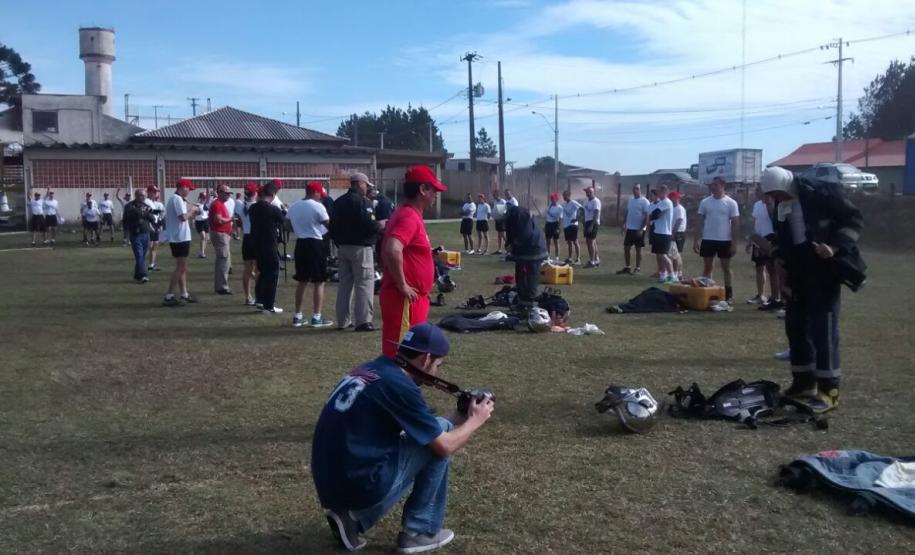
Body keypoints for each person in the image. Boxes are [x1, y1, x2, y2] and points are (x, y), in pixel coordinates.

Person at [311, 323, 494, 553]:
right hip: (356, 483)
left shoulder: (374, 369)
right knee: (440, 441)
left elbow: (424, 428)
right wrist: (476, 420)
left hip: (330, 481)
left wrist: (459, 416)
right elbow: (444, 446)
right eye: (438, 364)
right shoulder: (400, 386)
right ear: (426, 359)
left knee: (441, 427)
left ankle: (353, 519)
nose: (437, 371)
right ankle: (419, 532)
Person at [760, 166, 864, 413]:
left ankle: (829, 390)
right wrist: (781, 267)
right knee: (795, 326)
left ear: (787, 185)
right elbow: (784, 240)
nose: (776, 199)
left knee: (823, 330)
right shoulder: (780, 205)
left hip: (825, 269)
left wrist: (835, 246)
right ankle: (804, 382)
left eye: (778, 194)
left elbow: (854, 220)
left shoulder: (822, 194)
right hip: (798, 271)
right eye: (772, 195)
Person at [379, 165, 447, 356]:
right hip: (404, 301)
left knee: (411, 355)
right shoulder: (409, 216)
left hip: (413, 300)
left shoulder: (411, 214)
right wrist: (402, 285)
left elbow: (405, 250)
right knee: (402, 355)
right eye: (433, 190)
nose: (436, 195)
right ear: (422, 189)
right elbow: (393, 249)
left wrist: (428, 255)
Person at [330, 172, 379, 331]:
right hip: (361, 247)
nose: (367, 188)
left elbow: (332, 226)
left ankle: (342, 320)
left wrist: (338, 242)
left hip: (343, 247)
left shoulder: (338, 202)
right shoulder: (363, 202)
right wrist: (378, 229)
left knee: (345, 286)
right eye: (366, 185)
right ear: (359, 184)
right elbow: (369, 224)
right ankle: (363, 321)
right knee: (364, 284)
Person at [288, 181, 333, 328]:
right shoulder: (318, 206)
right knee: (319, 281)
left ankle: (298, 315)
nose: (321, 197)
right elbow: (328, 225)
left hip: (301, 243)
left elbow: (286, 225)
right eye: (320, 194)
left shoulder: (294, 205)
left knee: (302, 280)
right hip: (315, 243)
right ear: (315, 192)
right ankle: (316, 316)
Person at [693, 176, 740, 303]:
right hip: (708, 239)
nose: (713, 187)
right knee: (708, 267)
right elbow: (699, 221)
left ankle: (729, 295)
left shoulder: (731, 203)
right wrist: (696, 239)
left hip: (724, 240)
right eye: (711, 185)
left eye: (715, 185)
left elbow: (735, 223)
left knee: (726, 268)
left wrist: (734, 243)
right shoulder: (705, 202)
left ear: (722, 186)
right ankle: (707, 292)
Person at [248, 180, 287, 314]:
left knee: (262, 272)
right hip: (269, 244)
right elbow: (284, 221)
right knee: (273, 273)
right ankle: (269, 305)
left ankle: (260, 299)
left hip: (256, 243)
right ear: (273, 194)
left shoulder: (253, 208)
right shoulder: (272, 209)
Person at [163, 179, 202, 306]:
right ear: (183, 187)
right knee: (181, 267)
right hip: (179, 237)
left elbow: (184, 217)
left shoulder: (175, 199)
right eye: (188, 189)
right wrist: (194, 209)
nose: (189, 191)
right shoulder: (177, 199)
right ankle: (169, 295)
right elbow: (183, 217)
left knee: (182, 268)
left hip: (179, 236)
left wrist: (194, 212)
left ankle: (184, 293)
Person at [505, 203, 548, 307]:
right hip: (525, 249)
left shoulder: (519, 215)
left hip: (534, 248)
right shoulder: (513, 216)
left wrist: (513, 244)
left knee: (532, 274)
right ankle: (522, 297)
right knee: (520, 272)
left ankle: (531, 300)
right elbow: (511, 232)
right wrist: (509, 244)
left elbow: (524, 234)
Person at [747, 185, 780, 307]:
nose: (756, 192)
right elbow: (757, 223)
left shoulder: (773, 204)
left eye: (758, 190)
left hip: (770, 239)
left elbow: (775, 222)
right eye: (756, 190)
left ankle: (776, 297)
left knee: (773, 270)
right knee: (759, 267)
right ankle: (761, 295)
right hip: (759, 239)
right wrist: (752, 240)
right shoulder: (757, 205)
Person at [123, 187, 155, 283]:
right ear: (136, 196)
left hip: (145, 233)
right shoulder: (129, 206)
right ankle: (143, 275)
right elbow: (126, 219)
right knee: (139, 255)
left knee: (142, 256)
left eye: (145, 196)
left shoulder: (146, 206)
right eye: (141, 195)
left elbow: (152, 218)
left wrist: (145, 213)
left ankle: (137, 275)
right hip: (135, 234)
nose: (143, 197)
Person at [617, 184, 650, 275]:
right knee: (626, 248)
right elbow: (628, 213)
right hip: (630, 228)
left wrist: (642, 228)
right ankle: (627, 267)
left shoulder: (645, 201)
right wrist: (624, 225)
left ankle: (637, 268)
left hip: (639, 229)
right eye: (634, 189)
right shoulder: (631, 201)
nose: (635, 190)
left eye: (637, 189)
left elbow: (647, 216)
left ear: (640, 190)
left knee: (638, 249)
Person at [235, 183, 260, 305]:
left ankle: (248, 297)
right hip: (256, 238)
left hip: (246, 238)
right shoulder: (257, 205)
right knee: (258, 269)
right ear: (255, 193)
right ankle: (259, 295)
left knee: (247, 270)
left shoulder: (240, 205)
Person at [208, 184, 234, 295]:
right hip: (220, 234)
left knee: (224, 260)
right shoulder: (217, 204)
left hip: (222, 234)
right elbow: (218, 220)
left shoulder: (220, 204)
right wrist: (230, 219)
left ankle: (222, 285)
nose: (228, 195)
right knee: (223, 260)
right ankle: (221, 286)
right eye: (226, 193)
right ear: (220, 192)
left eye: (229, 193)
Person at [649, 185, 675, 283]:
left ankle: (672, 275)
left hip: (664, 233)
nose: (657, 194)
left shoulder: (666, 202)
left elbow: (655, 214)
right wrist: (653, 216)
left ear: (664, 191)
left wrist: (652, 216)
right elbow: (654, 215)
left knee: (663, 255)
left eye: (659, 191)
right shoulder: (662, 202)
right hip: (658, 231)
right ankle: (663, 275)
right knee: (659, 255)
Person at [144, 186, 165, 272]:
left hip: (155, 224)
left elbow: (154, 214)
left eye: (156, 192)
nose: (156, 193)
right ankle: (144, 265)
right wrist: (151, 226)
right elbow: (146, 214)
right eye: (154, 192)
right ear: (149, 192)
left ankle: (151, 265)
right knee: (149, 246)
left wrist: (158, 224)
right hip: (150, 225)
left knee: (155, 245)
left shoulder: (151, 202)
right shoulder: (146, 201)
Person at [561, 189, 582, 265]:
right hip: (566, 225)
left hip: (573, 225)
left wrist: (577, 218)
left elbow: (582, 209)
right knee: (569, 242)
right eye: (563, 196)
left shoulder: (573, 202)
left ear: (568, 195)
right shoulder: (564, 204)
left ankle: (578, 259)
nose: (563, 197)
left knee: (575, 241)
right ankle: (570, 258)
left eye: (565, 195)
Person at [582, 186, 602, 268]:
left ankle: (592, 261)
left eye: (590, 192)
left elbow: (596, 214)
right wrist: (584, 223)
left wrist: (591, 226)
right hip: (587, 222)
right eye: (587, 192)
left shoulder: (596, 201)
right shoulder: (586, 201)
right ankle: (596, 259)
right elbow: (584, 212)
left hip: (593, 222)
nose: (588, 193)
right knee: (591, 241)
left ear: (593, 192)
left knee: (590, 241)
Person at [669, 191, 687, 280]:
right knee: (673, 254)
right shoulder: (673, 208)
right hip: (674, 232)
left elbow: (679, 221)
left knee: (676, 254)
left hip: (678, 233)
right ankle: (678, 273)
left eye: (671, 198)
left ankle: (677, 273)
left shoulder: (680, 209)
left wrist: (673, 233)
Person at [542, 193, 562, 261]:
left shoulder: (559, 208)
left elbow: (560, 219)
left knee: (556, 241)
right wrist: (545, 226)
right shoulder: (548, 207)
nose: (552, 199)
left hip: (555, 225)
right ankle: (548, 256)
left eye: (553, 198)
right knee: (548, 241)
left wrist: (558, 228)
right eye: (551, 198)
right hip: (548, 225)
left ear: (556, 199)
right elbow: (547, 218)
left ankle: (557, 257)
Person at [491, 189, 508, 254]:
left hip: (502, 220)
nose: (493, 196)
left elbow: (503, 212)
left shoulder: (502, 201)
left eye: (494, 195)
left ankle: (509, 248)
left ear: (497, 194)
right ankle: (499, 249)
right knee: (499, 235)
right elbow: (495, 211)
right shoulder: (495, 202)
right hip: (497, 220)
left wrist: (498, 218)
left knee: (502, 235)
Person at [194, 191, 210, 258]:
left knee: (207, 238)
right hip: (199, 222)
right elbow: (194, 213)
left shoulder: (206, 205)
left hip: (206, 221)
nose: (204, 199)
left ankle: (202, 252)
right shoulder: (197, 205)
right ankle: (202, 252)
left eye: (205, 198)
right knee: (203, 236)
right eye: (203, 197)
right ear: (200, 197)